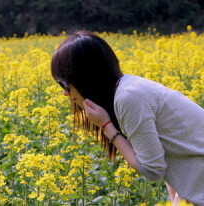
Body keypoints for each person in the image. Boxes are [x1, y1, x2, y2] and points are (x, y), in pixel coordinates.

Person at [51, 30, 204, 205]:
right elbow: (171, 149)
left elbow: (153, 170)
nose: (64, 92)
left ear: (86, 77)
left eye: (63, 83)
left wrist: (106, 125)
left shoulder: (129, 98)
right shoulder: (129, 88)